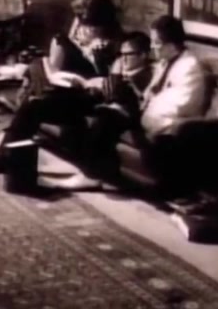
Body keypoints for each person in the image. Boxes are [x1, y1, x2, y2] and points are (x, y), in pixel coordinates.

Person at [0, 0, 123, 174]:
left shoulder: (119, 44)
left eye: (91, 26)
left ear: (104, 23)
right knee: (34, 99)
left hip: (94, 100)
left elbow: (113, 82)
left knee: (34, 102)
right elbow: (62, 65)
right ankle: (5, 155)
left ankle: (4, 156)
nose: (86, 30)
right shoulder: (79, 37)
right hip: (72, 95)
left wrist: (97, 59)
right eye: (83, 24)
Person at [52, 15, 206, 190]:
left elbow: (181, 104)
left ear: (170, 45)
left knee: (108, 118)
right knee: (105, 114)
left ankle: (93, 174)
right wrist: (138, 97)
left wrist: (143, 104)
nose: (152, 47)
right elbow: (152, 92)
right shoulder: (168, 61)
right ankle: (98, 172)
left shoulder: (189, 68)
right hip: (150, 113)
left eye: (157, 43)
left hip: (167, 122)